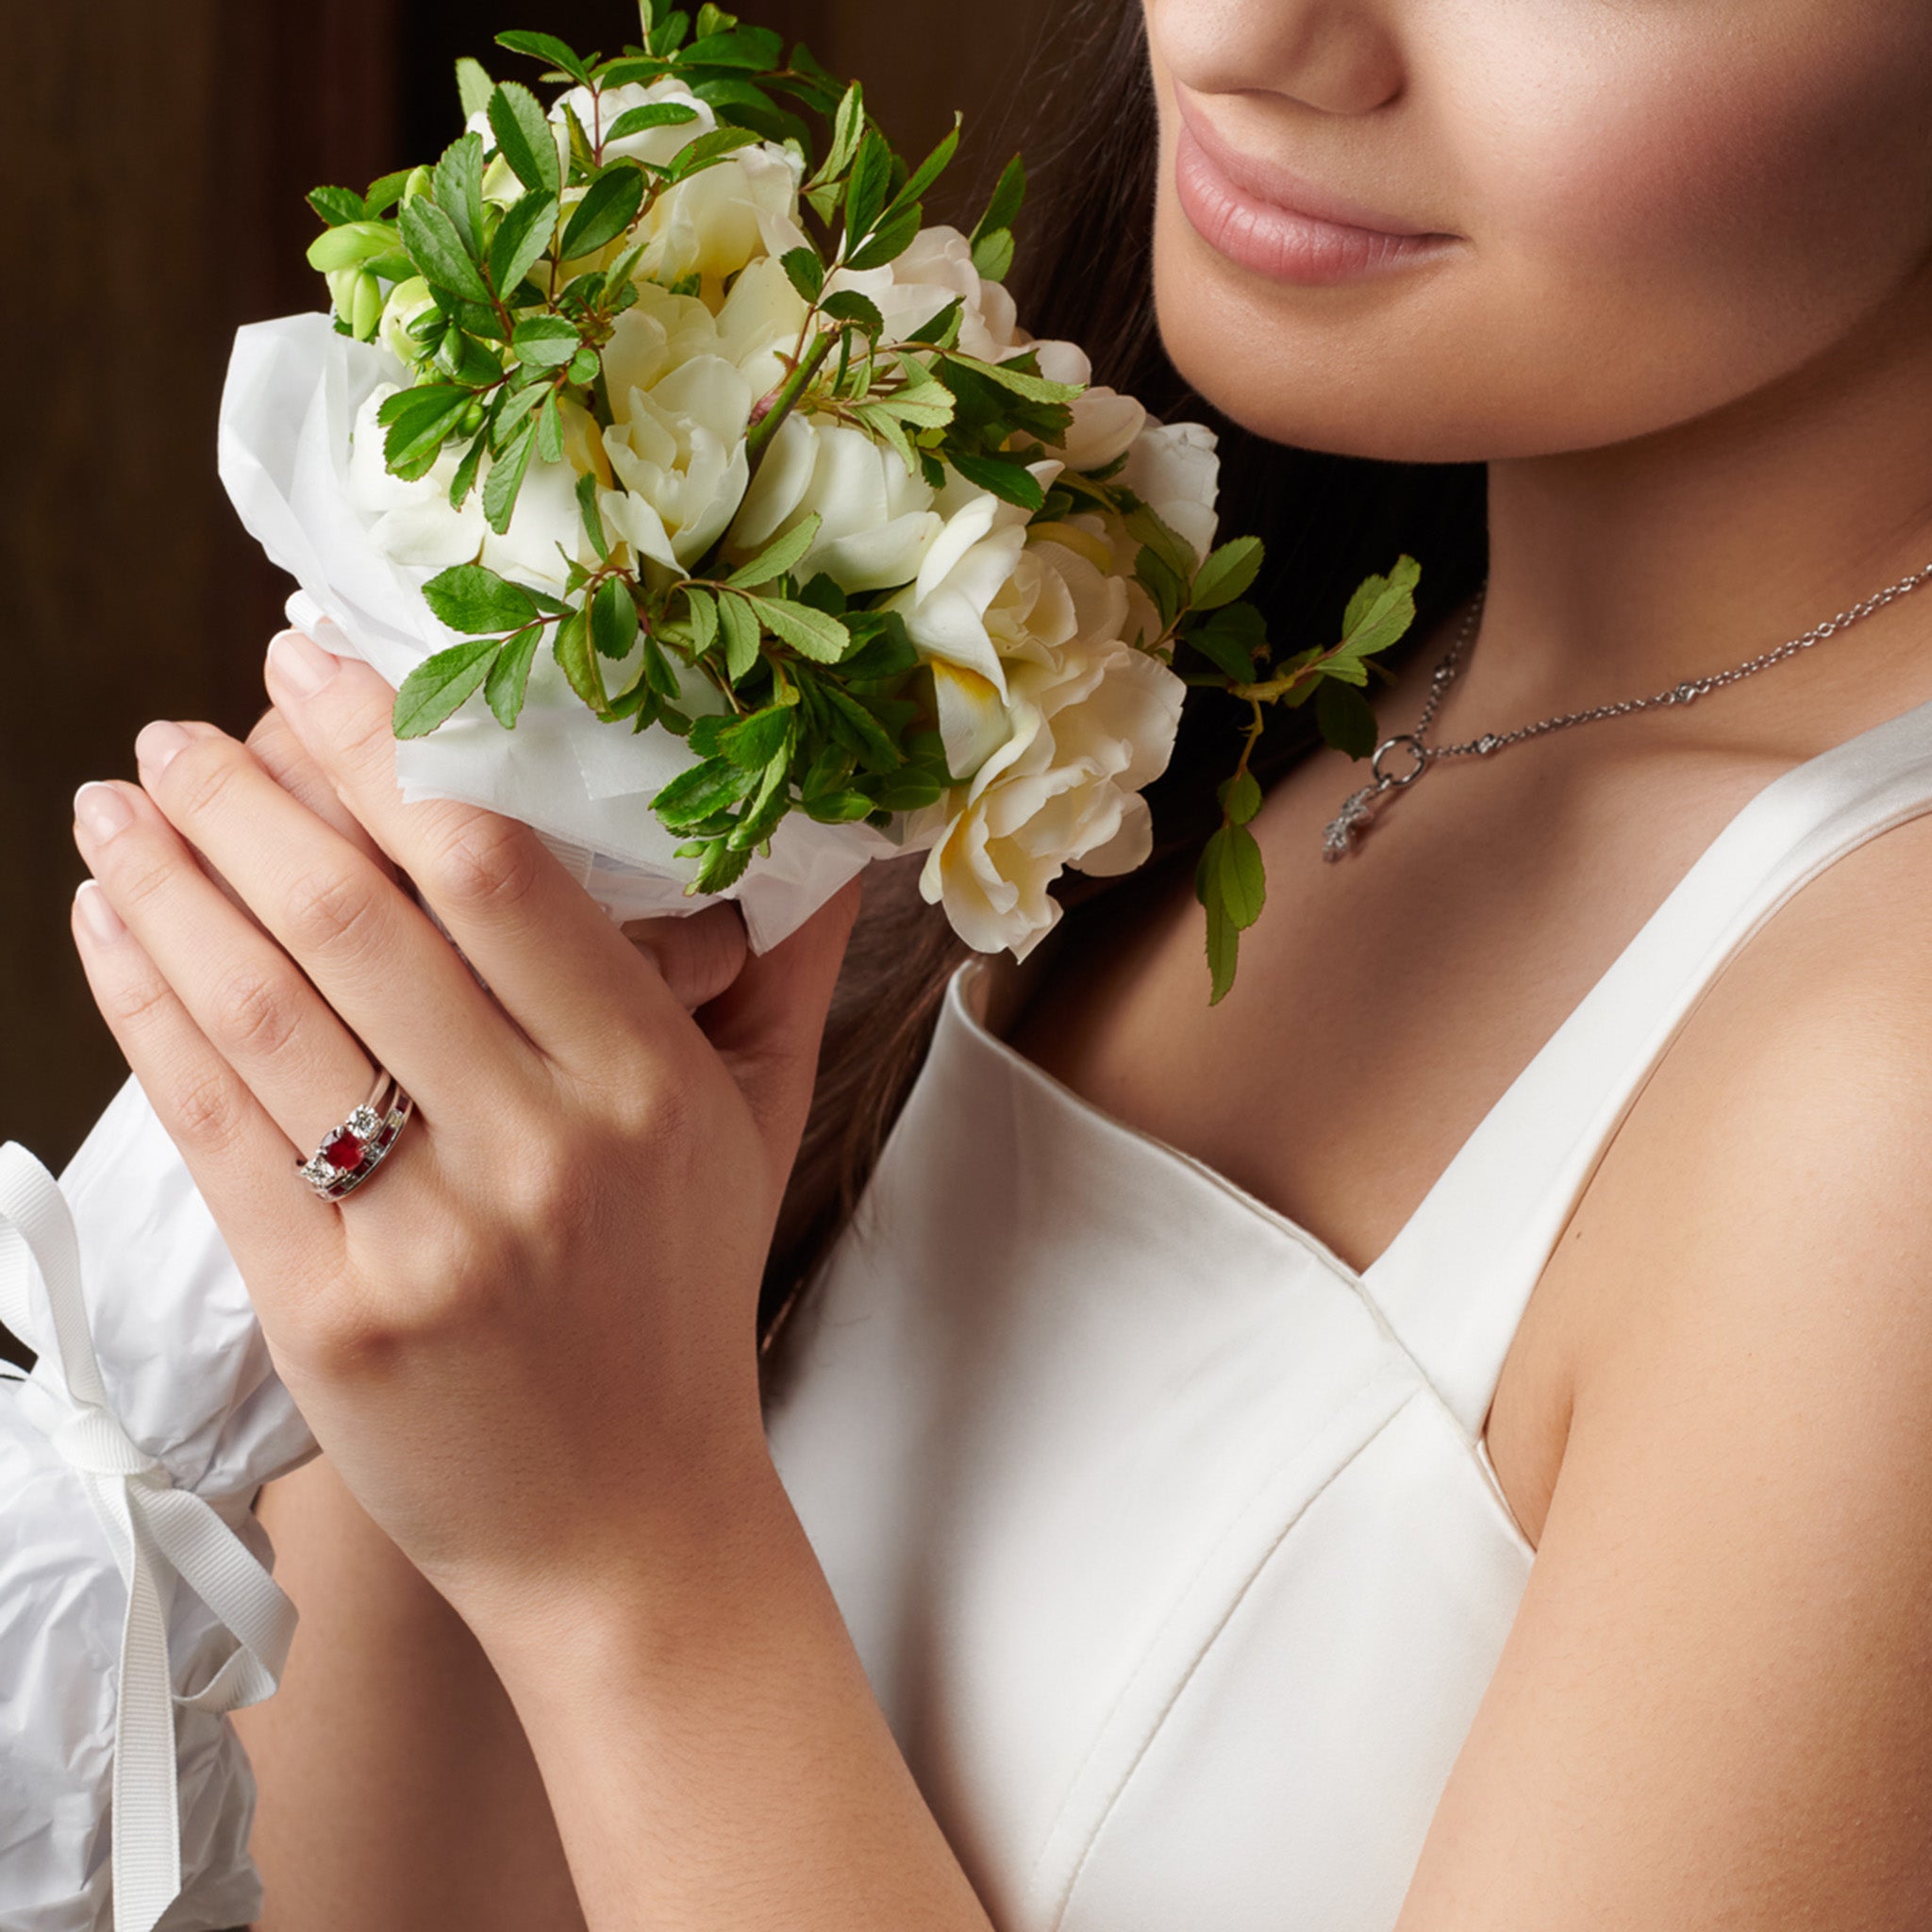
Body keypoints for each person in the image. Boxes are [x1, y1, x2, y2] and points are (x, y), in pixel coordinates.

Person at [59, 1, 1932, 1925]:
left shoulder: (1879, 1104)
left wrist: (628, 1557)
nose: (1245, 30)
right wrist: (457, 1269)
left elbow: (620, 1606)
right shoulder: (1186, 678)